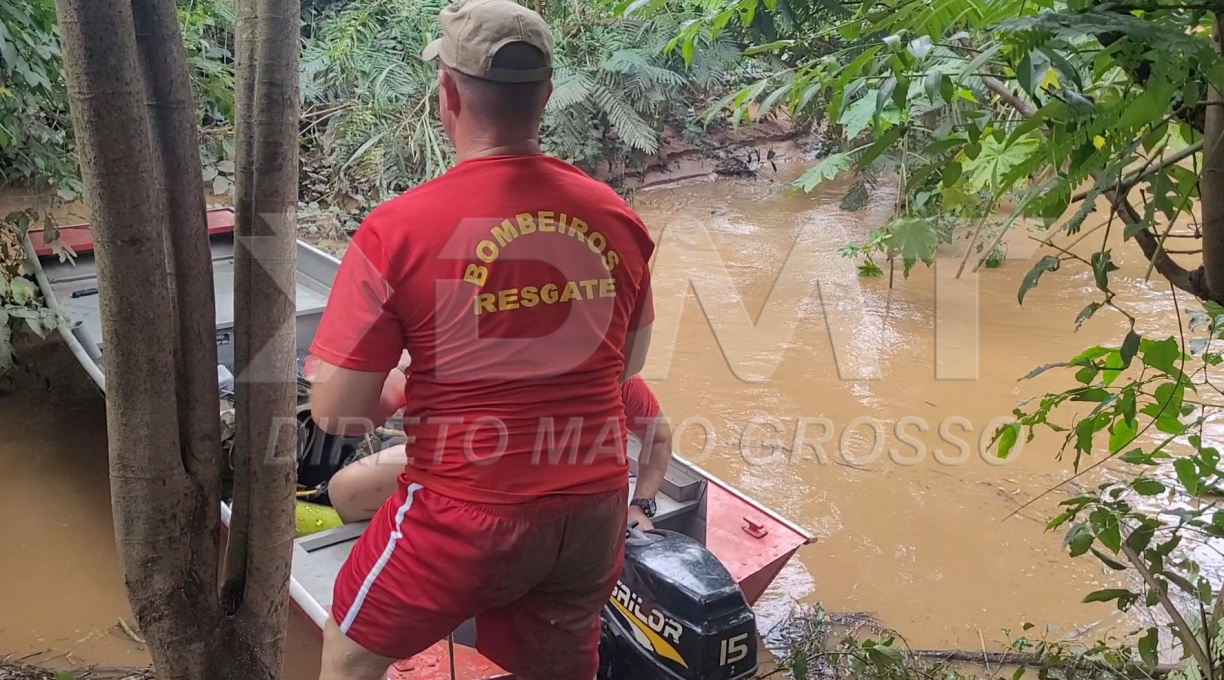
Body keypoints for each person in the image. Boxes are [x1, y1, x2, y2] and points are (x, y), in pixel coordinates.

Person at [304, 0, 656, 678]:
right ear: (547, 95)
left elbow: (337, 414)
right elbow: (622, 367)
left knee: (348, 650)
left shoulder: (397, 229)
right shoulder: (616, 215)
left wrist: (407, 384)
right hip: (594, 510)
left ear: (447, 93)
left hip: (464, 514)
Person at [327, 373, 674, 529]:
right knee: (345, 491)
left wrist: (641, 504)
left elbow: (658, 438)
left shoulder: (617, 375)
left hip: (557, 506)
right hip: (467, 467)